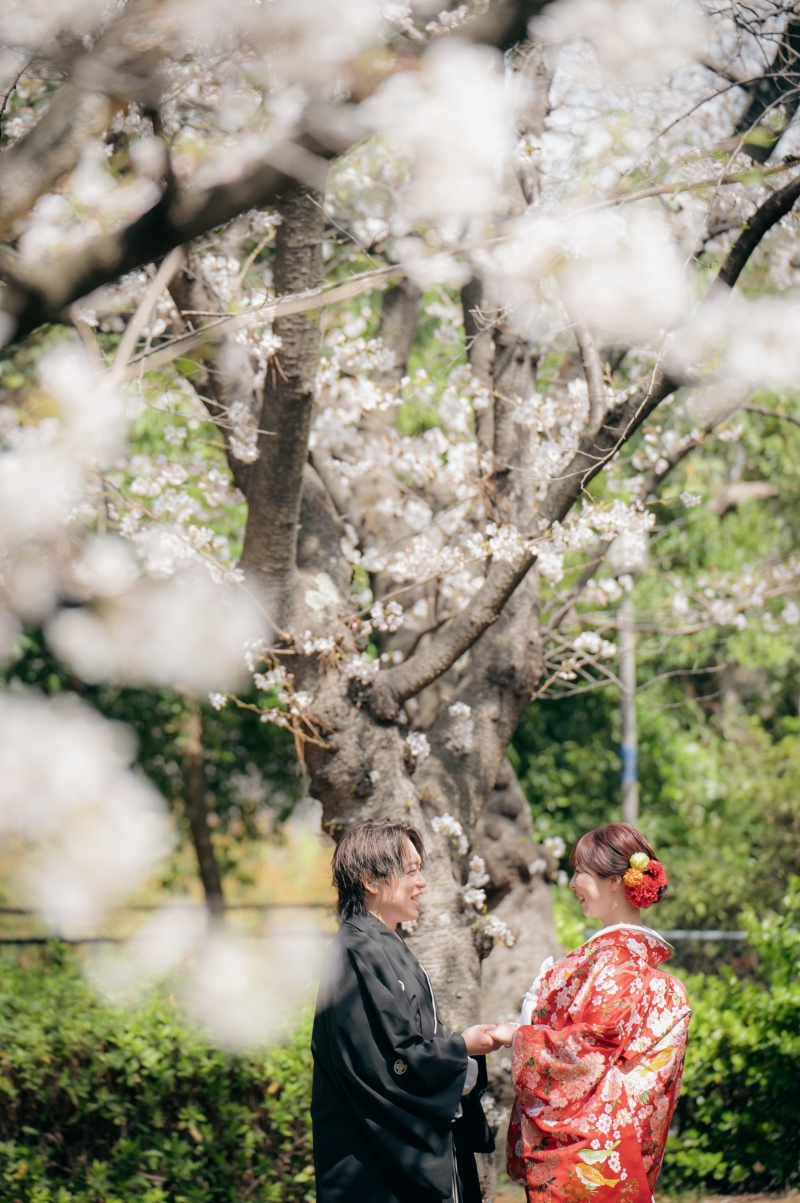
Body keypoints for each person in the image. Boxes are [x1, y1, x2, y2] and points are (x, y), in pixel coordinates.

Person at [490, 822, 691, 1202]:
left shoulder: (616, 963)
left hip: (589, 1150)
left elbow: (585, 1054)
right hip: (618, 1142)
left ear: (615, 880)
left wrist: (517, 1036)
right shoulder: (625, 962)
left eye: (580, 871)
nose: (572, 883)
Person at [312, 818, 498, 1203]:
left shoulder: (383, 945)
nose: (422, 882)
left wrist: (461, 1053)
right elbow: (387, 1065)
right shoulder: (356, 952)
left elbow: (409, 1045)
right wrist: (460, 1048)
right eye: (411, 871)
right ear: (371, 880)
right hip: (376, 1168)